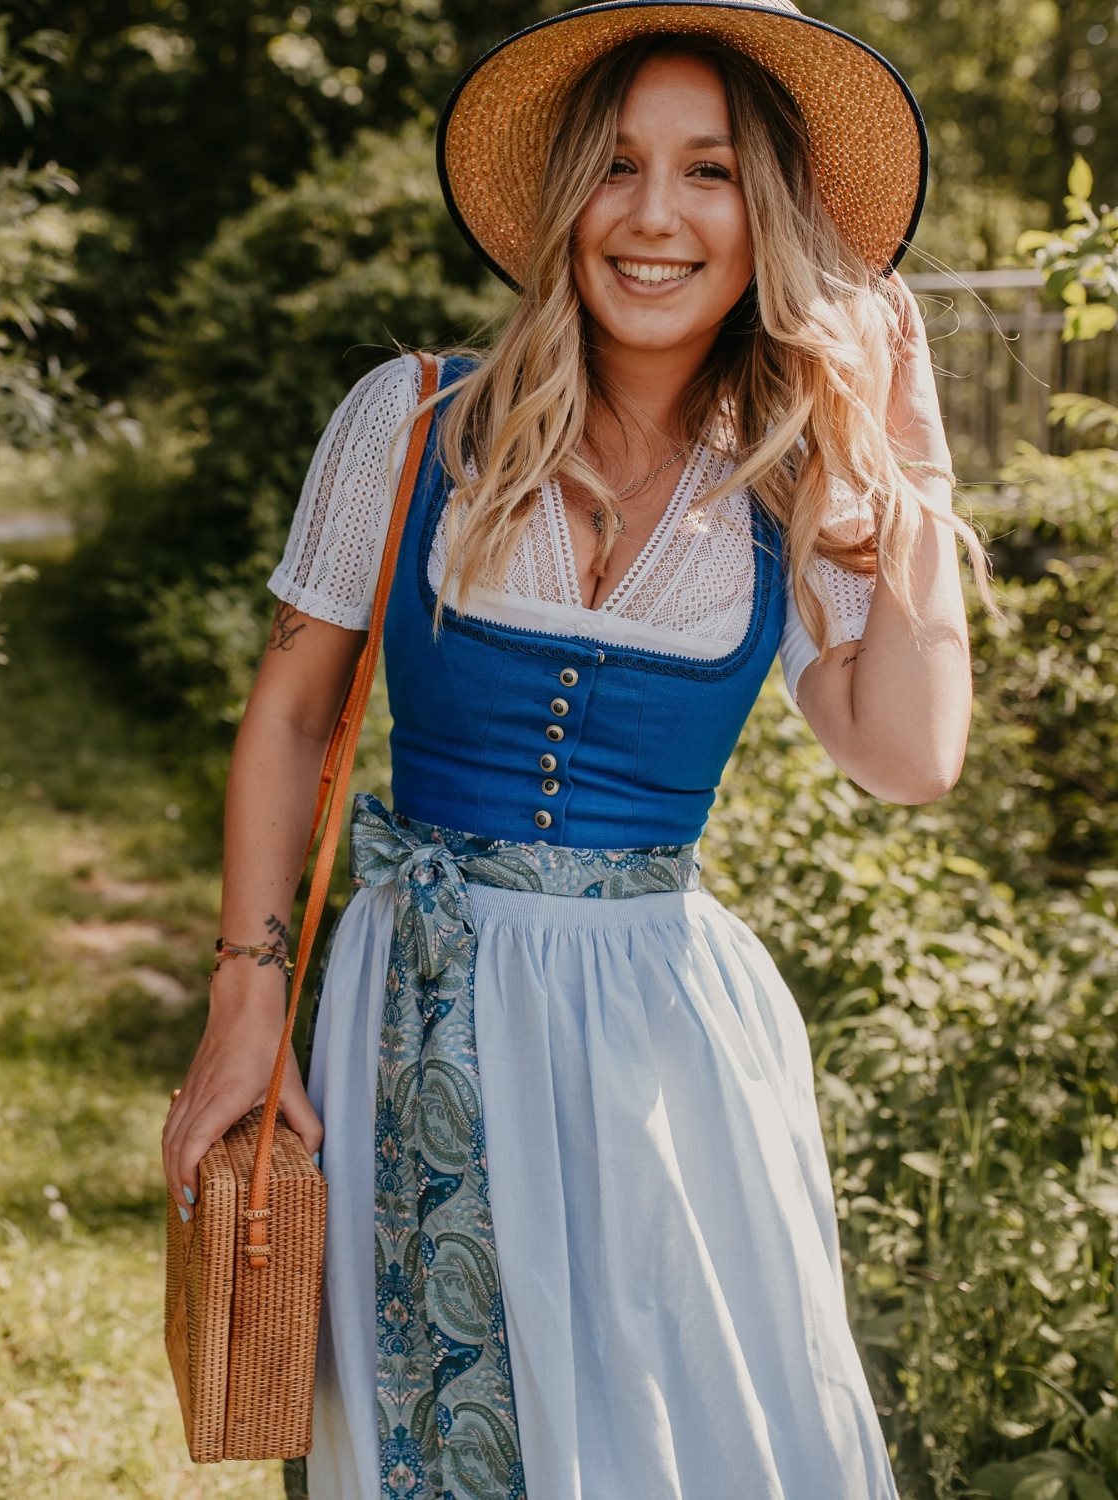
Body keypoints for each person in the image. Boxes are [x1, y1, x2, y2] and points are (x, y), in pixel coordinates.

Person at [163, 3, 988, 1497]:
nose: (655, 215)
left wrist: (911, 466)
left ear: (771, 217)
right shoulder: (413, 422)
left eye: (711, 171)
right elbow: (288, 717)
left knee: (686, 1437)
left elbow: (913, 755)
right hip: (406, 1006)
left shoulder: (794, 480)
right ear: (564, 202)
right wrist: (247, 1004)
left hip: (664, 1044)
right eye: (615, 166)